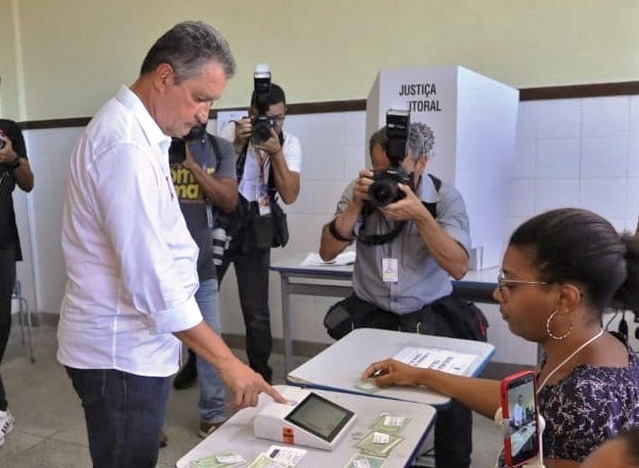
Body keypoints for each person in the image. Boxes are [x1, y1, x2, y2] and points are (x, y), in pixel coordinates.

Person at [57, 21, 285, 468]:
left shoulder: (146, 135)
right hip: (118, 354)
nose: (204, 114)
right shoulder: (124, 145)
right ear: (164, 77)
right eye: (201, 98)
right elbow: (151, 281)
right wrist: (226, 361)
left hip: (135, 346)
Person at [362, 208, 639, 467]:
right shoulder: (601, 348)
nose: (497, 294)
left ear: (565, 298)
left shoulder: (583, 401)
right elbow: (529, 406)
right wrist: (422, 376)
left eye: (510, 284)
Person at [319, 122, 474, 467]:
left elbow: (459, 266)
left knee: (452, 403)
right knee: (360, 398)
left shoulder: (445, 198)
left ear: (421, 163)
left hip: (429, 314)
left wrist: (422, 216)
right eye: (378, 169)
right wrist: (355, 208)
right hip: (371, 313)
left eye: (395, 170)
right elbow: (327, 251)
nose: (386, 178)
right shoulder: (362, 191)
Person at [218, 82, 301, 383]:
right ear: (250, 114)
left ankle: (260, 372)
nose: (271, 125)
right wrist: (237, 148)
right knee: (202, 296)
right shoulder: (230, 133)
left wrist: (276, 152)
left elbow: (290, 194)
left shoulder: (289, 143)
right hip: (224, 221)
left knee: (256, 309)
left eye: (278, 119)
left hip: (258, 224)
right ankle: (196, 363)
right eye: (264, 119)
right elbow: (212, 184)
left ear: (285, 114)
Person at [168, 128, 238, 438]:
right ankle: (150, 420)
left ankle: (212, 415)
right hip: (160, 267)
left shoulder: (219, 148)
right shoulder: (154, 145)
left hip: (202, 266)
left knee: (212, 342)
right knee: (156, 347)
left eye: (206, 104)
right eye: (196, 101)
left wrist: (192, 165)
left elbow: (229, 201)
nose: (199, 112)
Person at [0, 74, 35, 448]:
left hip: (2, 241)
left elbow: (28, 183)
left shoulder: (8, 130)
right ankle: (0, 407)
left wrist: (12, 159)